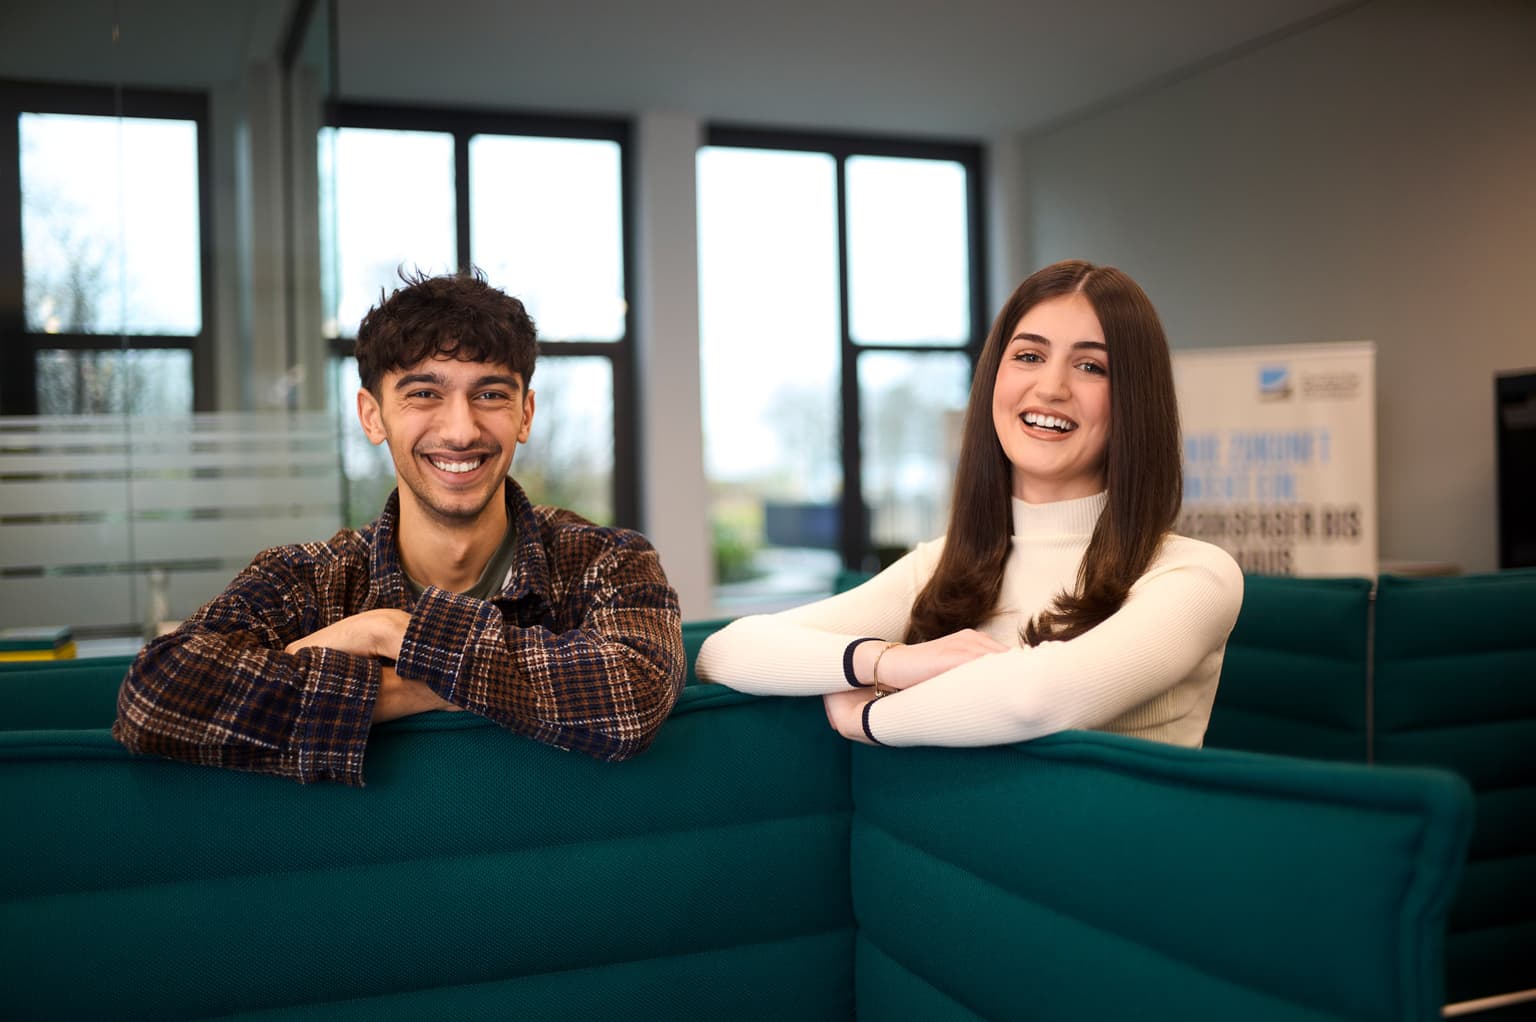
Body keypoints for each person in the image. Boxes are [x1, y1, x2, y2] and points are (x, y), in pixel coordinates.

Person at [114, 269, 684, 784]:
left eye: (490, 394)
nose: (461, 430)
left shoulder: (606, 560)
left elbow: (632, 698)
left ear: (525, 415)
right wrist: (458, 685)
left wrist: (389, 634)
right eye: (423, 394)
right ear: (371, 415)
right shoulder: (309, 577)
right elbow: (157, 697)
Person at [696, 259, 1242, 749]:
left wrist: (868, 716)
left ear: (1135, 401)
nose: (1051, 387)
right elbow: (725, 651)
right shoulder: (944, 565)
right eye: (1029, 355)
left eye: (1091, 367)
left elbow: (1033, 701)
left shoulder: (1195, 576)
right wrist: (890, 660)